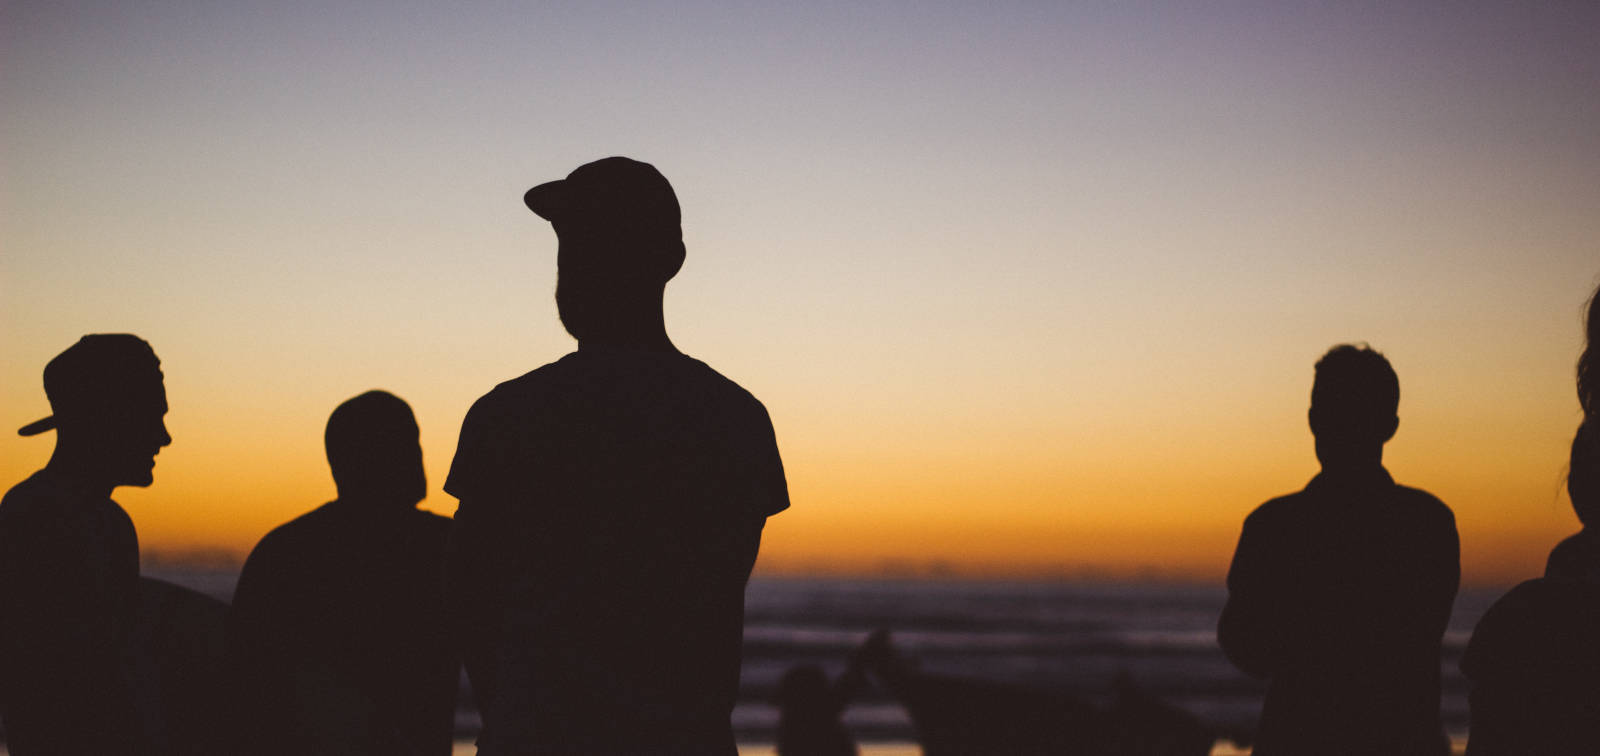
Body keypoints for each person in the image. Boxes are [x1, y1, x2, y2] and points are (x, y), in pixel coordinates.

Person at [444, 156, 790, 755]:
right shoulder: (733, 417)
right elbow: (716, 597)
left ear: (666, 262)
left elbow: (473, 597)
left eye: (595, 246)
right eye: (571, 247)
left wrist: (516, 716)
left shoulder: (508, 414)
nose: (575, 266)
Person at [1217, 344, 1459, 755]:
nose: (1340, 427)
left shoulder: (1274, 526)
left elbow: (1246, 647)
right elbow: (1415, 634)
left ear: (1312, 420)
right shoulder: (1427, 522)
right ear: (1390, 426)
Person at [227, 390, 457, 756]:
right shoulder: (446, 547)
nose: (417, 457)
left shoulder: (285, 549)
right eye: (401, 443)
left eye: (413, 441)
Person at [0, 334, 172, 755]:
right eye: (150, 418)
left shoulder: (105, 522)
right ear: (106, 421)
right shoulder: (38, 519)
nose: (164, 437)